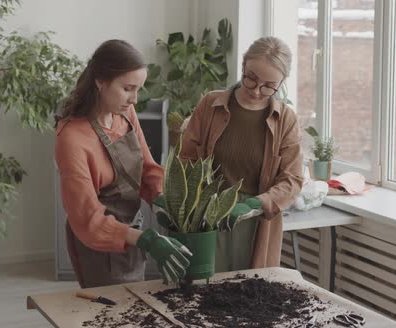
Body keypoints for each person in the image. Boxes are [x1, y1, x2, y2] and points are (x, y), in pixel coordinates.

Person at [55, 40, 191, 288]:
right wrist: (146, 240)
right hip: (99, 242)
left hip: (133, 232)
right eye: (128, 88)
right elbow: (87, 218)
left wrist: (160, 202)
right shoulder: (71, 137)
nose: (135, 99)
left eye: (139, 89)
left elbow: (148, 169)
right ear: (100, 82)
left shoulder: (125, 115)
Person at [179, 36, 303, 271]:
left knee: (248, 293)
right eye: (251, 79)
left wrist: (257, 203)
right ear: (243, 65)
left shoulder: (285, 120)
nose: (257, 91)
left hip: (256, 219)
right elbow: (186, 159)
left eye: (268, 86)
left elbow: (293, 179)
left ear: (281, 83)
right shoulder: (210, 105)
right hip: (207, 215)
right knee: (202, 291)